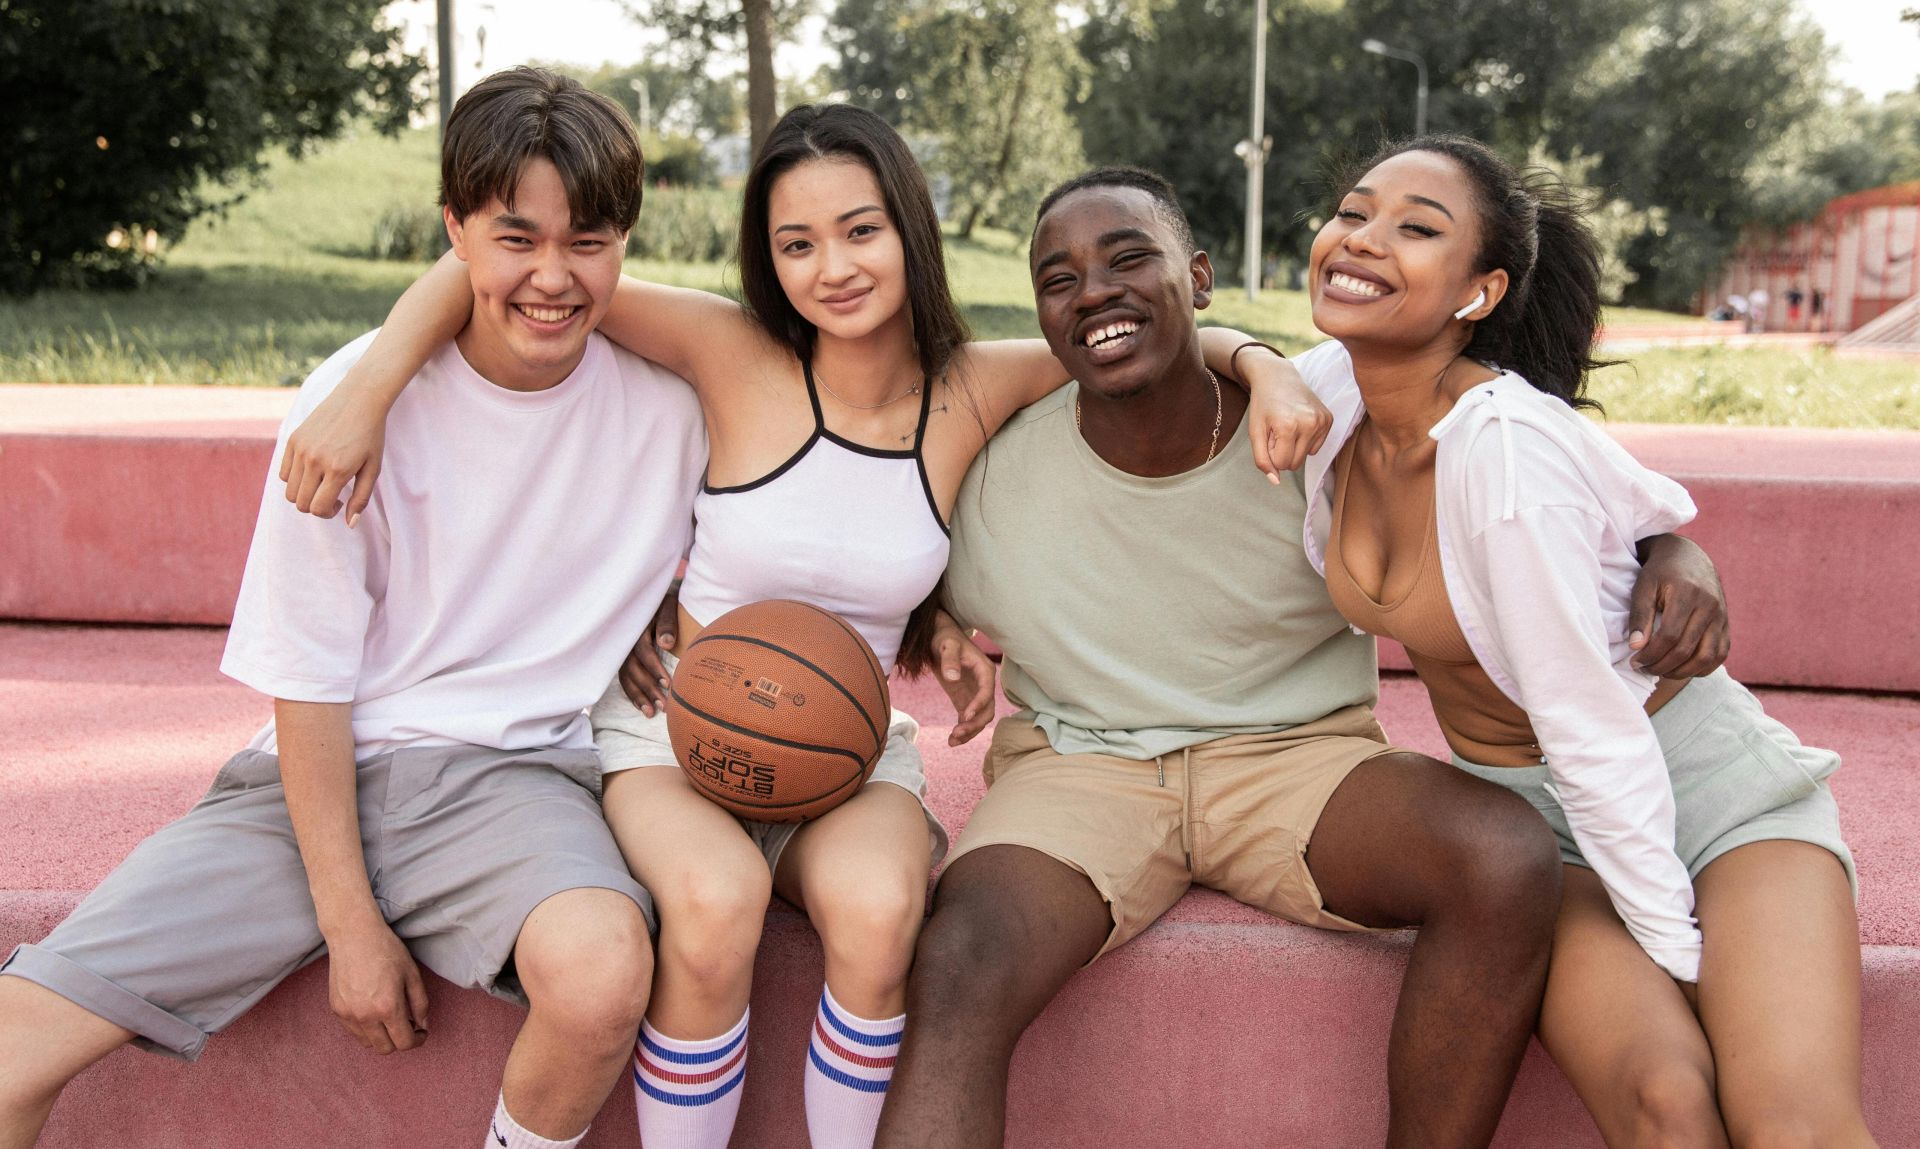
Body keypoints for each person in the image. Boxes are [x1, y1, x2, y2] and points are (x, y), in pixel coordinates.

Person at [273, 107, 1322, 1149]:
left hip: (847, 748)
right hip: (675, 730)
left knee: (877, 914)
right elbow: (510, 272)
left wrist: (1266, 364)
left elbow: (1152, 327)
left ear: (910, 228)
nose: (834, 266)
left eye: (861, 230)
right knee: (717, 903)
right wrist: (365, 390)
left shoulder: (973, 386)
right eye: (796, 243)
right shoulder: (727, 349)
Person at [870, 167, 1733, 1149]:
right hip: (1080, 769)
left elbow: (1553, 474)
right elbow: (862, 544)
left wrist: (1673, 548)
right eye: (1058, 278)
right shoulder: (995, 464)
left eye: (1127, 259)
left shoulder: (1315, 430)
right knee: (962, 953)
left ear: (1197, 278)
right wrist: (932, 618)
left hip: (1297, 760)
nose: (1094, 291)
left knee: (1500, 854)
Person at [0, 68, 705, 1149]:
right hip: (308, 787)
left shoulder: (673, 407)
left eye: (591, 241)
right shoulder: (350, 406)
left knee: (604, 971)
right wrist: (352, 926)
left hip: (513, 781)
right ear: (454, 232)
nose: (553, 279)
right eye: (515, 240)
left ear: (625, 242)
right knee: (13, 1049)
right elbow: (311, 677)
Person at [1286, 134, 1873, 1147]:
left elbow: (1592, 732)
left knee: (1791, 1121)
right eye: (1353, 211)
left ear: (1479, 293)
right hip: (1535, 828)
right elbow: (1213, 354)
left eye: (1417, 229)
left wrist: (1679, 961)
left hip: (1700, 794)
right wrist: (1245, 362)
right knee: (1664, 1106)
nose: (1364, 238)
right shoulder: (1334, 391)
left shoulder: (1503, 454)